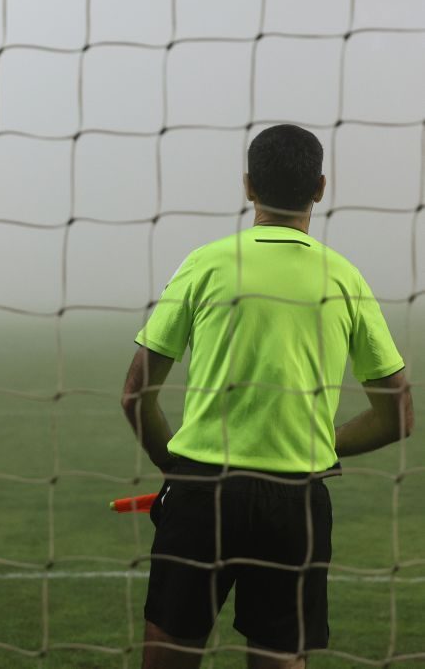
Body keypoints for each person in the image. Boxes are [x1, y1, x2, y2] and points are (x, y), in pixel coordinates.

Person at [121, 124, 413, 669]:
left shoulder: (205, 263)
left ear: (248, 186)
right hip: (297, 499)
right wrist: (318, 442)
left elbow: (135, 394)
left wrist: (177, 469)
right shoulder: (344, 277)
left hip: (202, 494)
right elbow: (398, 414)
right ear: (320, 188)